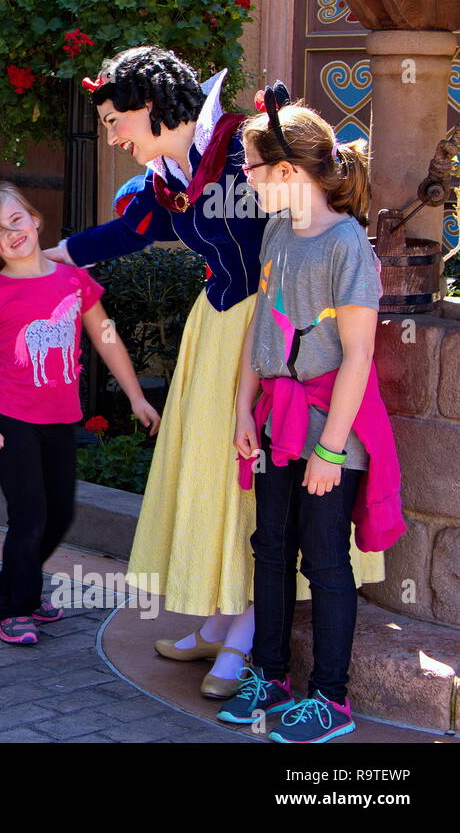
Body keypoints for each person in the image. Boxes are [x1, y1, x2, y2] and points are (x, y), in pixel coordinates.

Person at [41, 46, 383, 697]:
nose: (113, 134)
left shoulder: (241, 148)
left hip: (277, 336)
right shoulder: (170, 176)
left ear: (149, 108)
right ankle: (225, 614)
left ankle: (248, 631)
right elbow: (129, 231)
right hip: (219, 327)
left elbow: (311, 221)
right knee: (216, 480)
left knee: (252, 492)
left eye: (118, 119)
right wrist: (55, 254)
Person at [217, 92, 404, 743]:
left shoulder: (348, 244)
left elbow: (356, 358)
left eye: (252, 165)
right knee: (270, 547)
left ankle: (332, 697)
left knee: (324, 558)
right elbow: (259, 325)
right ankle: (268, 675)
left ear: (289, 171)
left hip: (330, 428)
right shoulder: (275, 233)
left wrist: (328, 451)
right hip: (275, 421)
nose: (245, 175)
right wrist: (243, 403)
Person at [0, 182, 160, 644]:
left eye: (16, 220)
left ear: (35, 220)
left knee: (61, 514)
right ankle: (16, 606)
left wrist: (135, 396)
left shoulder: (73, 280)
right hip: (9, 418)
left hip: (59, 418)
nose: (11, 233)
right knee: (29, 514)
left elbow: (106, 338)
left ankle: (9, 582)